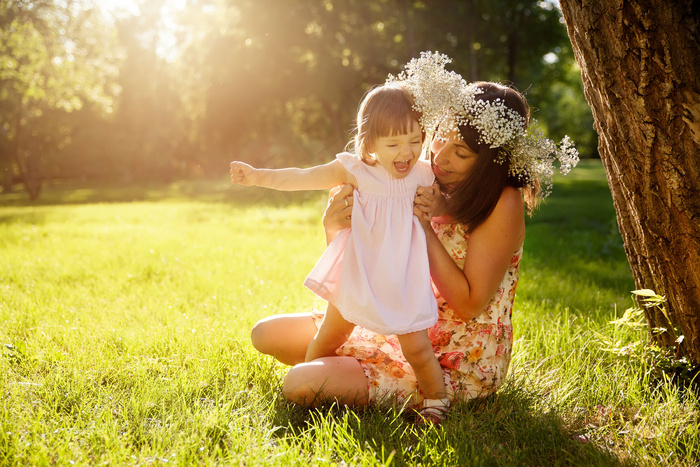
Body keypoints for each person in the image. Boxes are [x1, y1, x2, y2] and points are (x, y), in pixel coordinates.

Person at [249, 52, 579, 424]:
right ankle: (349, 364)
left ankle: (367, 377)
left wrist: (424, 228)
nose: (441, 156)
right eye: (439, 138)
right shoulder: (420, 174)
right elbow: (368, 262)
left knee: (299, 383)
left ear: (491, 160)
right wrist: (335, 228)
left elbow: (469, 304)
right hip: (389, 312)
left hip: (453, 353)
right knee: (265, 334)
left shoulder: (503, 200)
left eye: (462, 153)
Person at [230, 81, 451, 419]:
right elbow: (302, 177)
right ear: (370, 143)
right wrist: (257, 175)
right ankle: (306, 379)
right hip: (357, 276)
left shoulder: (424, 174)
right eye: (393, 143)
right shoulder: (356, 170)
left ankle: (436, 402)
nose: (406, 152)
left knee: (418, 349)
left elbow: (455, 201)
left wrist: (435, 200)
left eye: (415, 141)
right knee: (327, 337)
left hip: (402, 280)